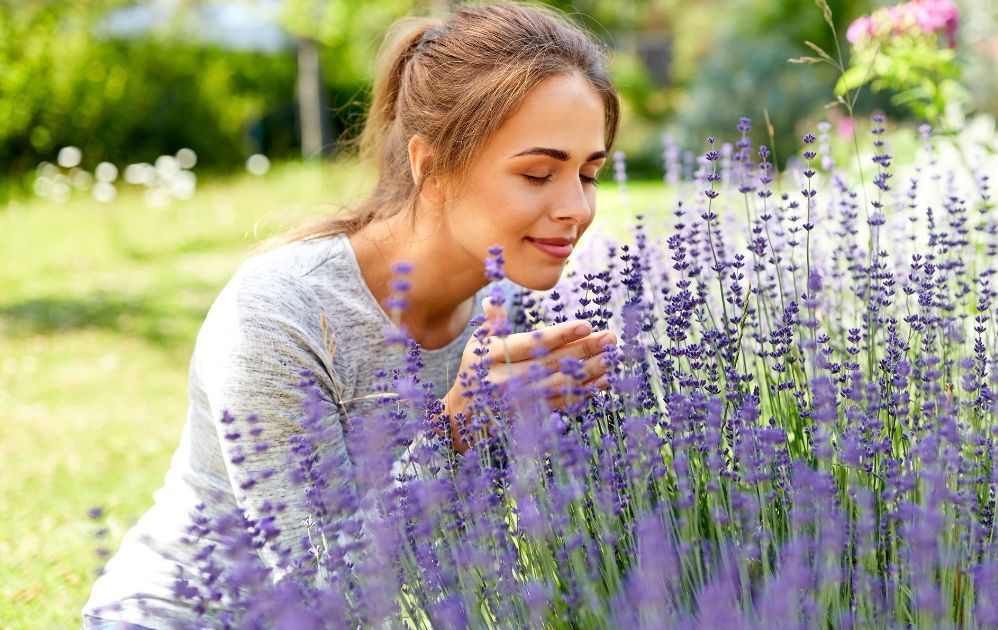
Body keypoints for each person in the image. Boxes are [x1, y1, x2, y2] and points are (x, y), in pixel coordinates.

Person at [81, 3, 620, 627]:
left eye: (588, 173)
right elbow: (318, 595)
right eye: (537, 173)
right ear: (431, 165)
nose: (576, 207)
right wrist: (456, 431)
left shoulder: (523, 315)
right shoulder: (281, 316)